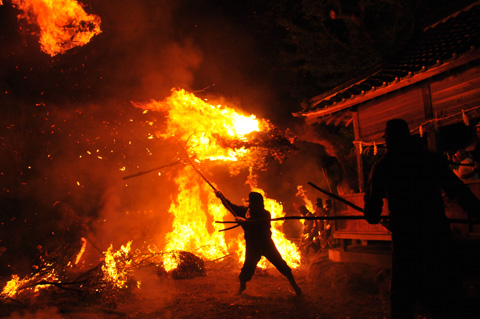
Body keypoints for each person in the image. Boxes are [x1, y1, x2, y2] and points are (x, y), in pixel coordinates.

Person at [364, 119, 480, 319]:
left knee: (402, 293)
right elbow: (459, 191)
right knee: (449, 285)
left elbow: (372, 214)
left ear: (389, 140)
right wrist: (477, 212)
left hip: (406, 238)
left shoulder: (384, 167)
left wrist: (375, 215)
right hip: (436, 231)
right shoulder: (429, 159)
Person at [215, 190, 302, 296]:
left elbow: (259, 227)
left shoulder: (265, 214)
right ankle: (242, 286)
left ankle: (295, 286)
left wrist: (245, 222)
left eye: (253, 203)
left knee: (280, 264)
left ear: (259, 204)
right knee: (247, 267)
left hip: (266, 244)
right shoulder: (246, 211)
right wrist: (221, 196)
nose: (251, 205)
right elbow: (231, 206)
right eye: (250, 203)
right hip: (253, 246)